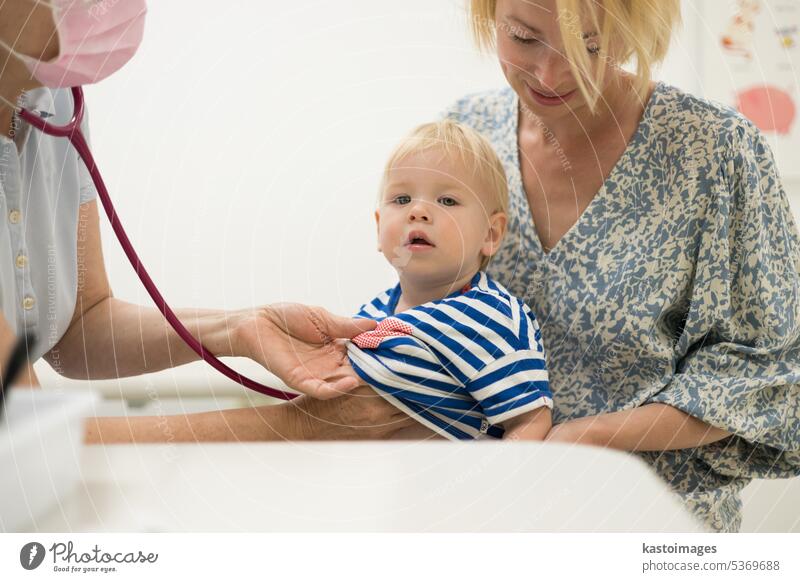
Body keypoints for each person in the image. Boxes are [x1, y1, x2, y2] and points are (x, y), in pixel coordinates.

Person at [437, 0, 800, 531]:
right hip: (490, 516)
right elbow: (426, 320)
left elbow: (769, 373)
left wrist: (585, 438)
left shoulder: (713, 150)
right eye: (523, 37)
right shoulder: (466, 135)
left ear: (636, 33)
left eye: (590, 47)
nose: (550, 74)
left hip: (653, 525)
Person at [0, 0, 414, 442]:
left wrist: (240, 327)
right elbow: (27, 446)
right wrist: (294, 425)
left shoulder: (55, 99)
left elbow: (79, 326)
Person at [347, 120, 552, 440]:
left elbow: (529, 421)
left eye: (447, 201)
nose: (418, 212)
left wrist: (501, 484)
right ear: (378, 227)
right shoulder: (367, 316)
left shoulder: (491, 318)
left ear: (490, 233)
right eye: (401, 200)